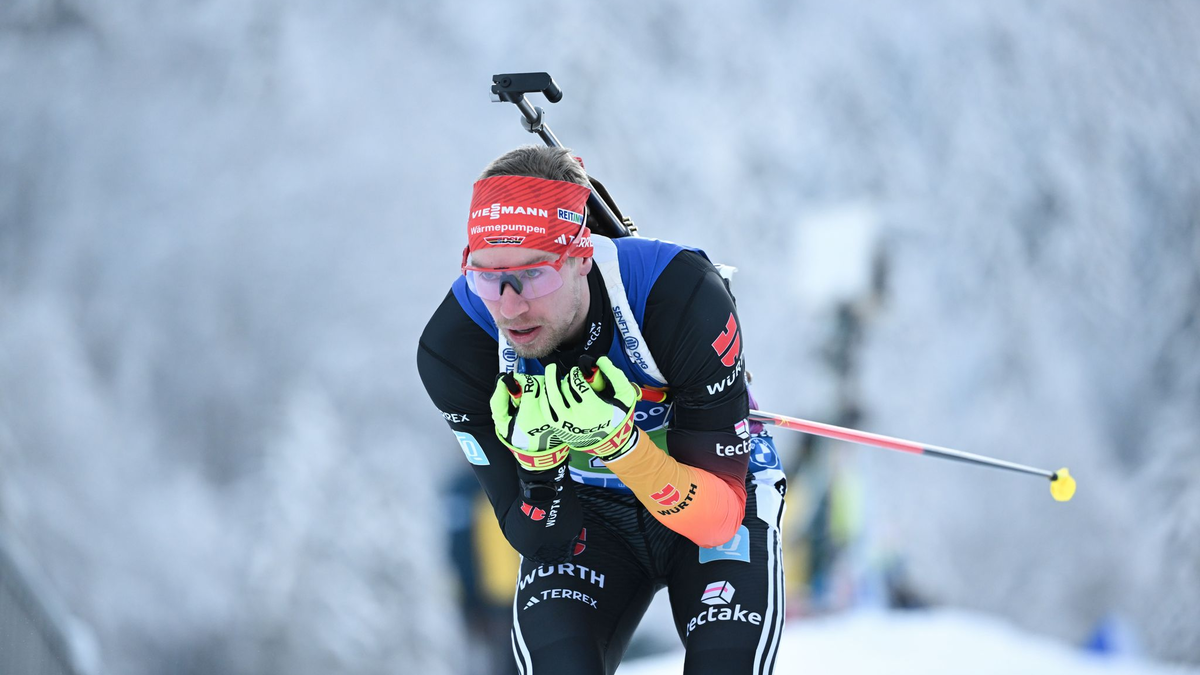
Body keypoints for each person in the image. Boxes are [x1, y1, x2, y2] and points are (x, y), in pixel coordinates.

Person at [417, 145, 787, 675]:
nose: (510, 305)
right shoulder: (455, 348)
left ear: (582, 256)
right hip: (589, 513)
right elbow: (539, 536)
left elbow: (718, 521)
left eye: (534, 275)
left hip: (707, 491)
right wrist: (538, 468)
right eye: (486, 276)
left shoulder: (678, 297)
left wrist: (621, 445)